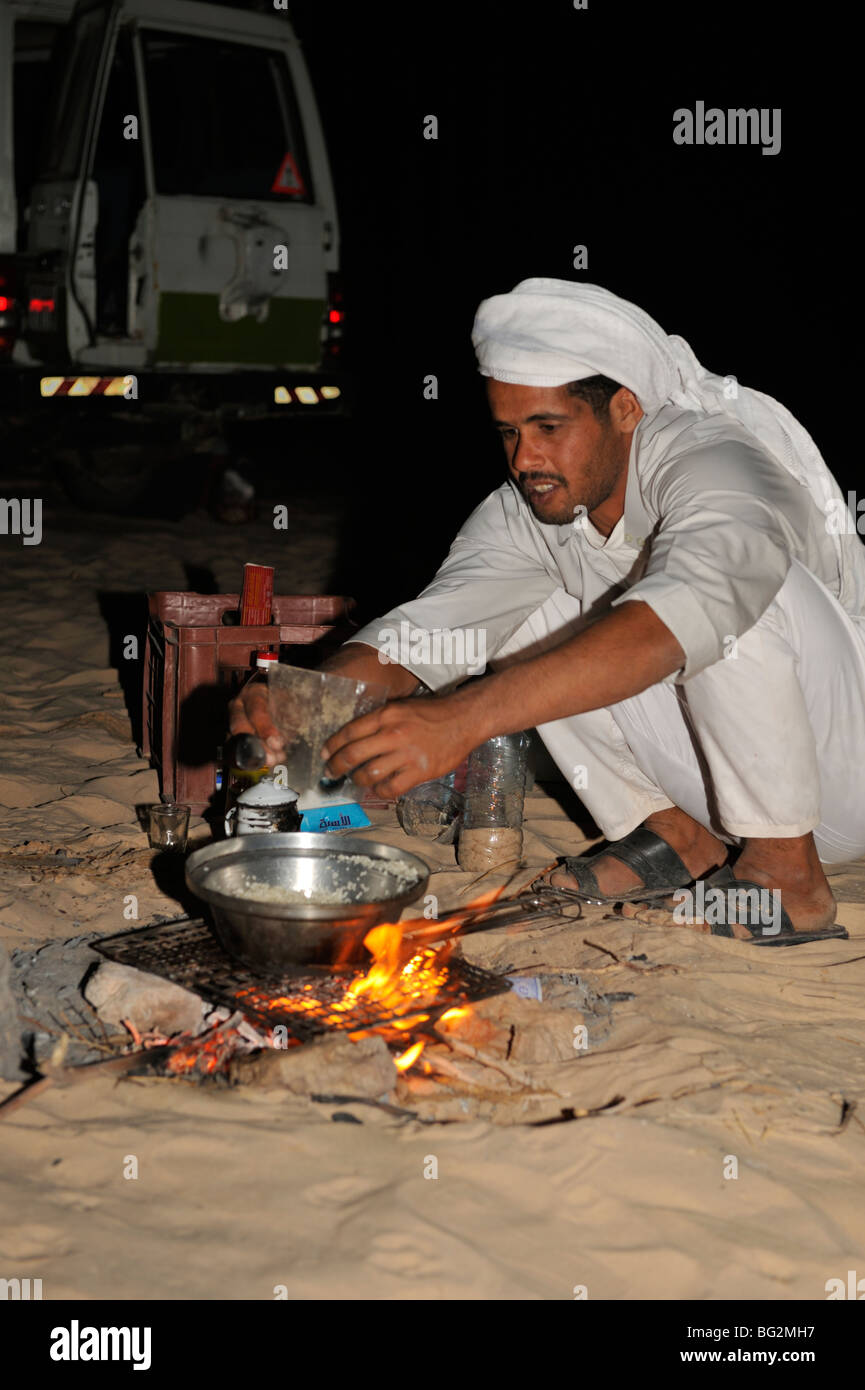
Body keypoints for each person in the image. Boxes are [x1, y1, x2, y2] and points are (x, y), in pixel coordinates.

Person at [231, 278, 865, 944]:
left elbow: (673, 622)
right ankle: (677, 832)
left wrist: (463, 718)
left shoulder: (719, 464)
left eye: (548, 429)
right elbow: (433, 629)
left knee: (726, 600)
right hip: (715, 784)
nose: (524, 459)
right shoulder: (533, 508)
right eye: (507, 432)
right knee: (529, 606)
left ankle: (786, 881)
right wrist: (309, 700)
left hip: (837, 775)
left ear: (625, 408)